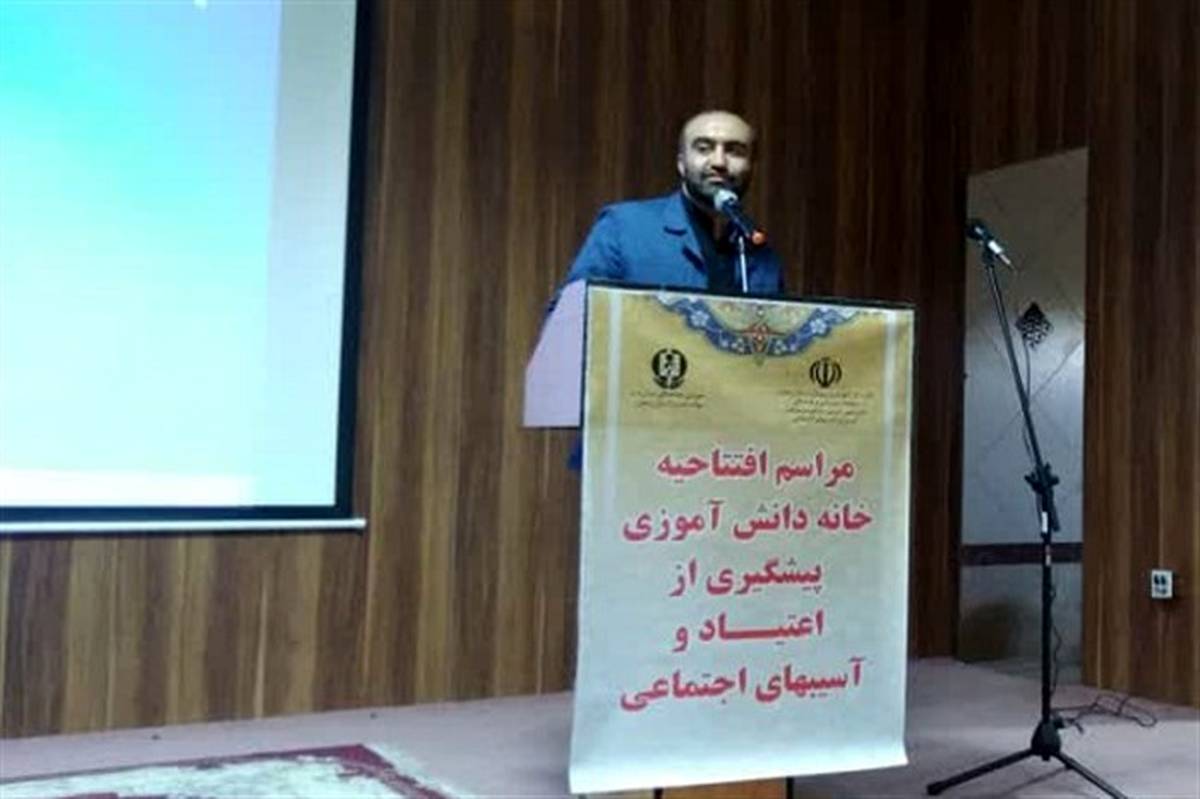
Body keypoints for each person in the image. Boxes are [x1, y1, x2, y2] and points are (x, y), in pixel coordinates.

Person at [560, 110, 784, 297]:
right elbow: (571, 316)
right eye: (704, 148)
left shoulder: (760, 251)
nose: (719, 162)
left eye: (734, 151)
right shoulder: (623, 226)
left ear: (752, 166)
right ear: (681, 163)